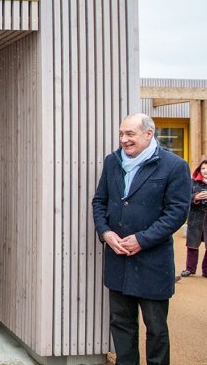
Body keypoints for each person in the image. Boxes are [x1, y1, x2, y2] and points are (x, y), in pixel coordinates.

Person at [92, 113, 191, 365]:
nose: (124, 140)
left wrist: (143, 240)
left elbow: (177, 212)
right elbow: (99, 202)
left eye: (130, 134)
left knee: (156, 329)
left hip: (153, 263)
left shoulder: (174, 165)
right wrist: (105, 232)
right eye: (121, 134)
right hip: (118, 259)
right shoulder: (112, 162)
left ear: (149, 134)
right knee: (122, 325)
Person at [180, 159, 207, 278]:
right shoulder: (192, 182)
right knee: (192, 245)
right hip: (195, 218)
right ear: (199, 170)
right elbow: (185, 197)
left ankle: (206, 270)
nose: (205, 171)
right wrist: (195, 197)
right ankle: (190, 269)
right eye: (203, 168)